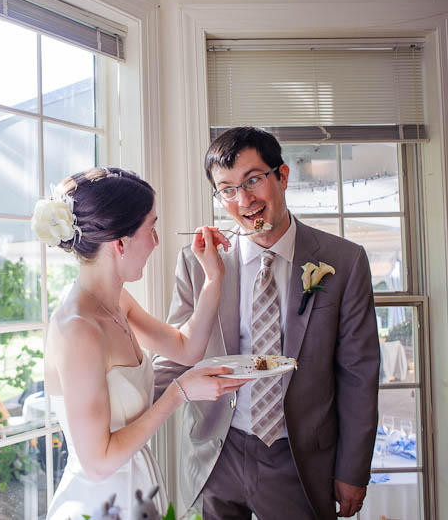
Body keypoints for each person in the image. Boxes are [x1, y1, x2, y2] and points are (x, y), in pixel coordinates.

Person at [154, 127, 380, 519]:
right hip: (216, 453)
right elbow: (175, 355)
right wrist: (121, 413)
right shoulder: (196, 264)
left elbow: (359, 374)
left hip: (299, 459)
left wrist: (352, 469)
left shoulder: (344, 261)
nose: (244, 201)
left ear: (283, 176)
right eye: (227, 189)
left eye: (253, 180)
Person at [35, 167, 250, 520]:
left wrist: (213, 279)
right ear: (120, 243)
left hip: (140, 491)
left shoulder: (117, 301)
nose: (156, 241)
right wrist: (178, 393)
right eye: (151, 228)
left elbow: (186, 347)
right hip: (100, 504)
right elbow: (99, 462)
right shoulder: (78, 330)